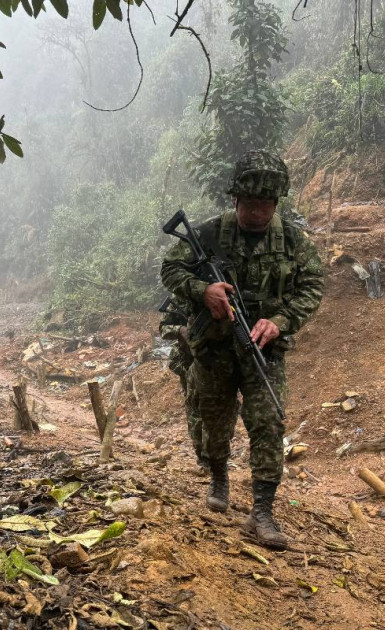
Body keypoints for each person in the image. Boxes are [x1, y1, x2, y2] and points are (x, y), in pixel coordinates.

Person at [160, 150, 324, 549]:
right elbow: (170, 268)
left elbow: (312, 287)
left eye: (265, 205)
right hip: (214, 347)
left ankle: (262, 511)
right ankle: (218, 476)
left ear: (276, 204)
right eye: (249, 203)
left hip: (262, 348)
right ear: (235, 200)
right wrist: (204, 290)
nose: (256, 212)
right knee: (215, 418)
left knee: (268, 421)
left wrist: (280, 321)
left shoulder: (292, 240)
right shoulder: (210, 234)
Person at [158, 296, 205, 470]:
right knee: (195, 408)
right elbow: (163, 330)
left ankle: (218, 455)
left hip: (217, 360)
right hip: (189, 361)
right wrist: (181, 329)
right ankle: (202, 455)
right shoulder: (179, 297)